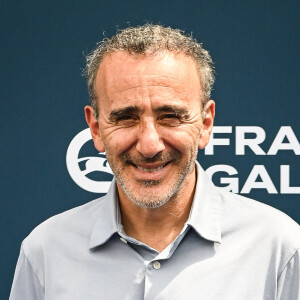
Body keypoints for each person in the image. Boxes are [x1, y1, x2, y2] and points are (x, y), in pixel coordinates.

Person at [10, 24, 300, 299]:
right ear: (96, 129)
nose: (150, 145)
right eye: (125, 118)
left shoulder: (280, 249)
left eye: (170, 116)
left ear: (206, 123)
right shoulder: (45, 252)